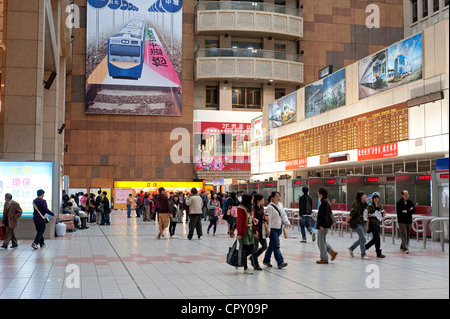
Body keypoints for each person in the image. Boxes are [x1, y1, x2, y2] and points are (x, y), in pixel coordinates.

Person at [263, 191, 291, 269]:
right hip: (272, 229)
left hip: (279, 228)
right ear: (272, 198)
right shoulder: (270, 207)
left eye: (279, 196)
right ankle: (280, 262)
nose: (278, 198)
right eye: (277, 196)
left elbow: (283, 215)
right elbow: (269, 219)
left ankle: (266, 260)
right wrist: (269, 230)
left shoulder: (280, 205)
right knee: (276, 246)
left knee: (272, 245)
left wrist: (287, 222)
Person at [316, 188, 338, 264]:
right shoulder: (326, 201)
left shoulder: (324, 202)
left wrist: (322, 225)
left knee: (320, 242)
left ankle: (324, 258)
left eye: (318, 193)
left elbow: (324, 215)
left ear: (321, 194)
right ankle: (332, 252)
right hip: (325, 224)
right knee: (322, 240)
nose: (318, 195)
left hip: (323, 225)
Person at [236, 194, 256, 274]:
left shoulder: (250, 209)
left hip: (250, 231)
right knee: (245, 250)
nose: (252, 201)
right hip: (244, 231)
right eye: (251, 199)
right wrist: (239, 232)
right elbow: (240, 222)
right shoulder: (241, 209)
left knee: (251, 249)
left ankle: (238, 259)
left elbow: (252, 219)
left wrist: (255, 231)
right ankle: (245, 268)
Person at [347, 191, 370, 260]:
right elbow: (352, 214)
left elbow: (367, 214)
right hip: (357, 223)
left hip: (363, 222)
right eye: (364, 195)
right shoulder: (356, 204)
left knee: (361, 239)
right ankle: (363, 254)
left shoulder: (366, 204)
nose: (365, 195)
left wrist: (367, 225)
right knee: (363, 238)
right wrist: (346, 221)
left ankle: (351, 248)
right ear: (360, 196)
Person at [365, 193, 385, 258]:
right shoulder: (370, 206)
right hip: (372, 223)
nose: (376, 200)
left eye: (377, 198)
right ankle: (378, 252)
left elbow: (382, 213)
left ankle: (366, 247)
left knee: (376, 238)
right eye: (375, 198)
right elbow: (366, 214)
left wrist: (383, 213)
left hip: (378, 222)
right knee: (377, 238)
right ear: (373, 199)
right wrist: (371, 215)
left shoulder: (379, 205)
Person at [251, 193, 267, 271]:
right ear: (259, 200)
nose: (263, 200)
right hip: (256, 230)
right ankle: (255, 264)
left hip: (262, 229)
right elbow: (252, 220)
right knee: (255, 247)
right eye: (262, 198)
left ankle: (252, 258)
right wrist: (255, 230)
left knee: (264, 246)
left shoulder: (261, 207)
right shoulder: (253, 208)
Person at [396, 190, 415, 254]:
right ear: (402, 195)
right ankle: (405, 247)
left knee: (407, 233)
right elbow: (399, 212)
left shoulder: (410, 202)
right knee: (404, 234)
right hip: (401, 220)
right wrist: (409, 211)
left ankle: (402, 245)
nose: (407, 196)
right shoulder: (399, 202)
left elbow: (413, 210)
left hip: (409, 220)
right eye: (405, 195)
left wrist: (406, 211)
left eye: (408, 195)